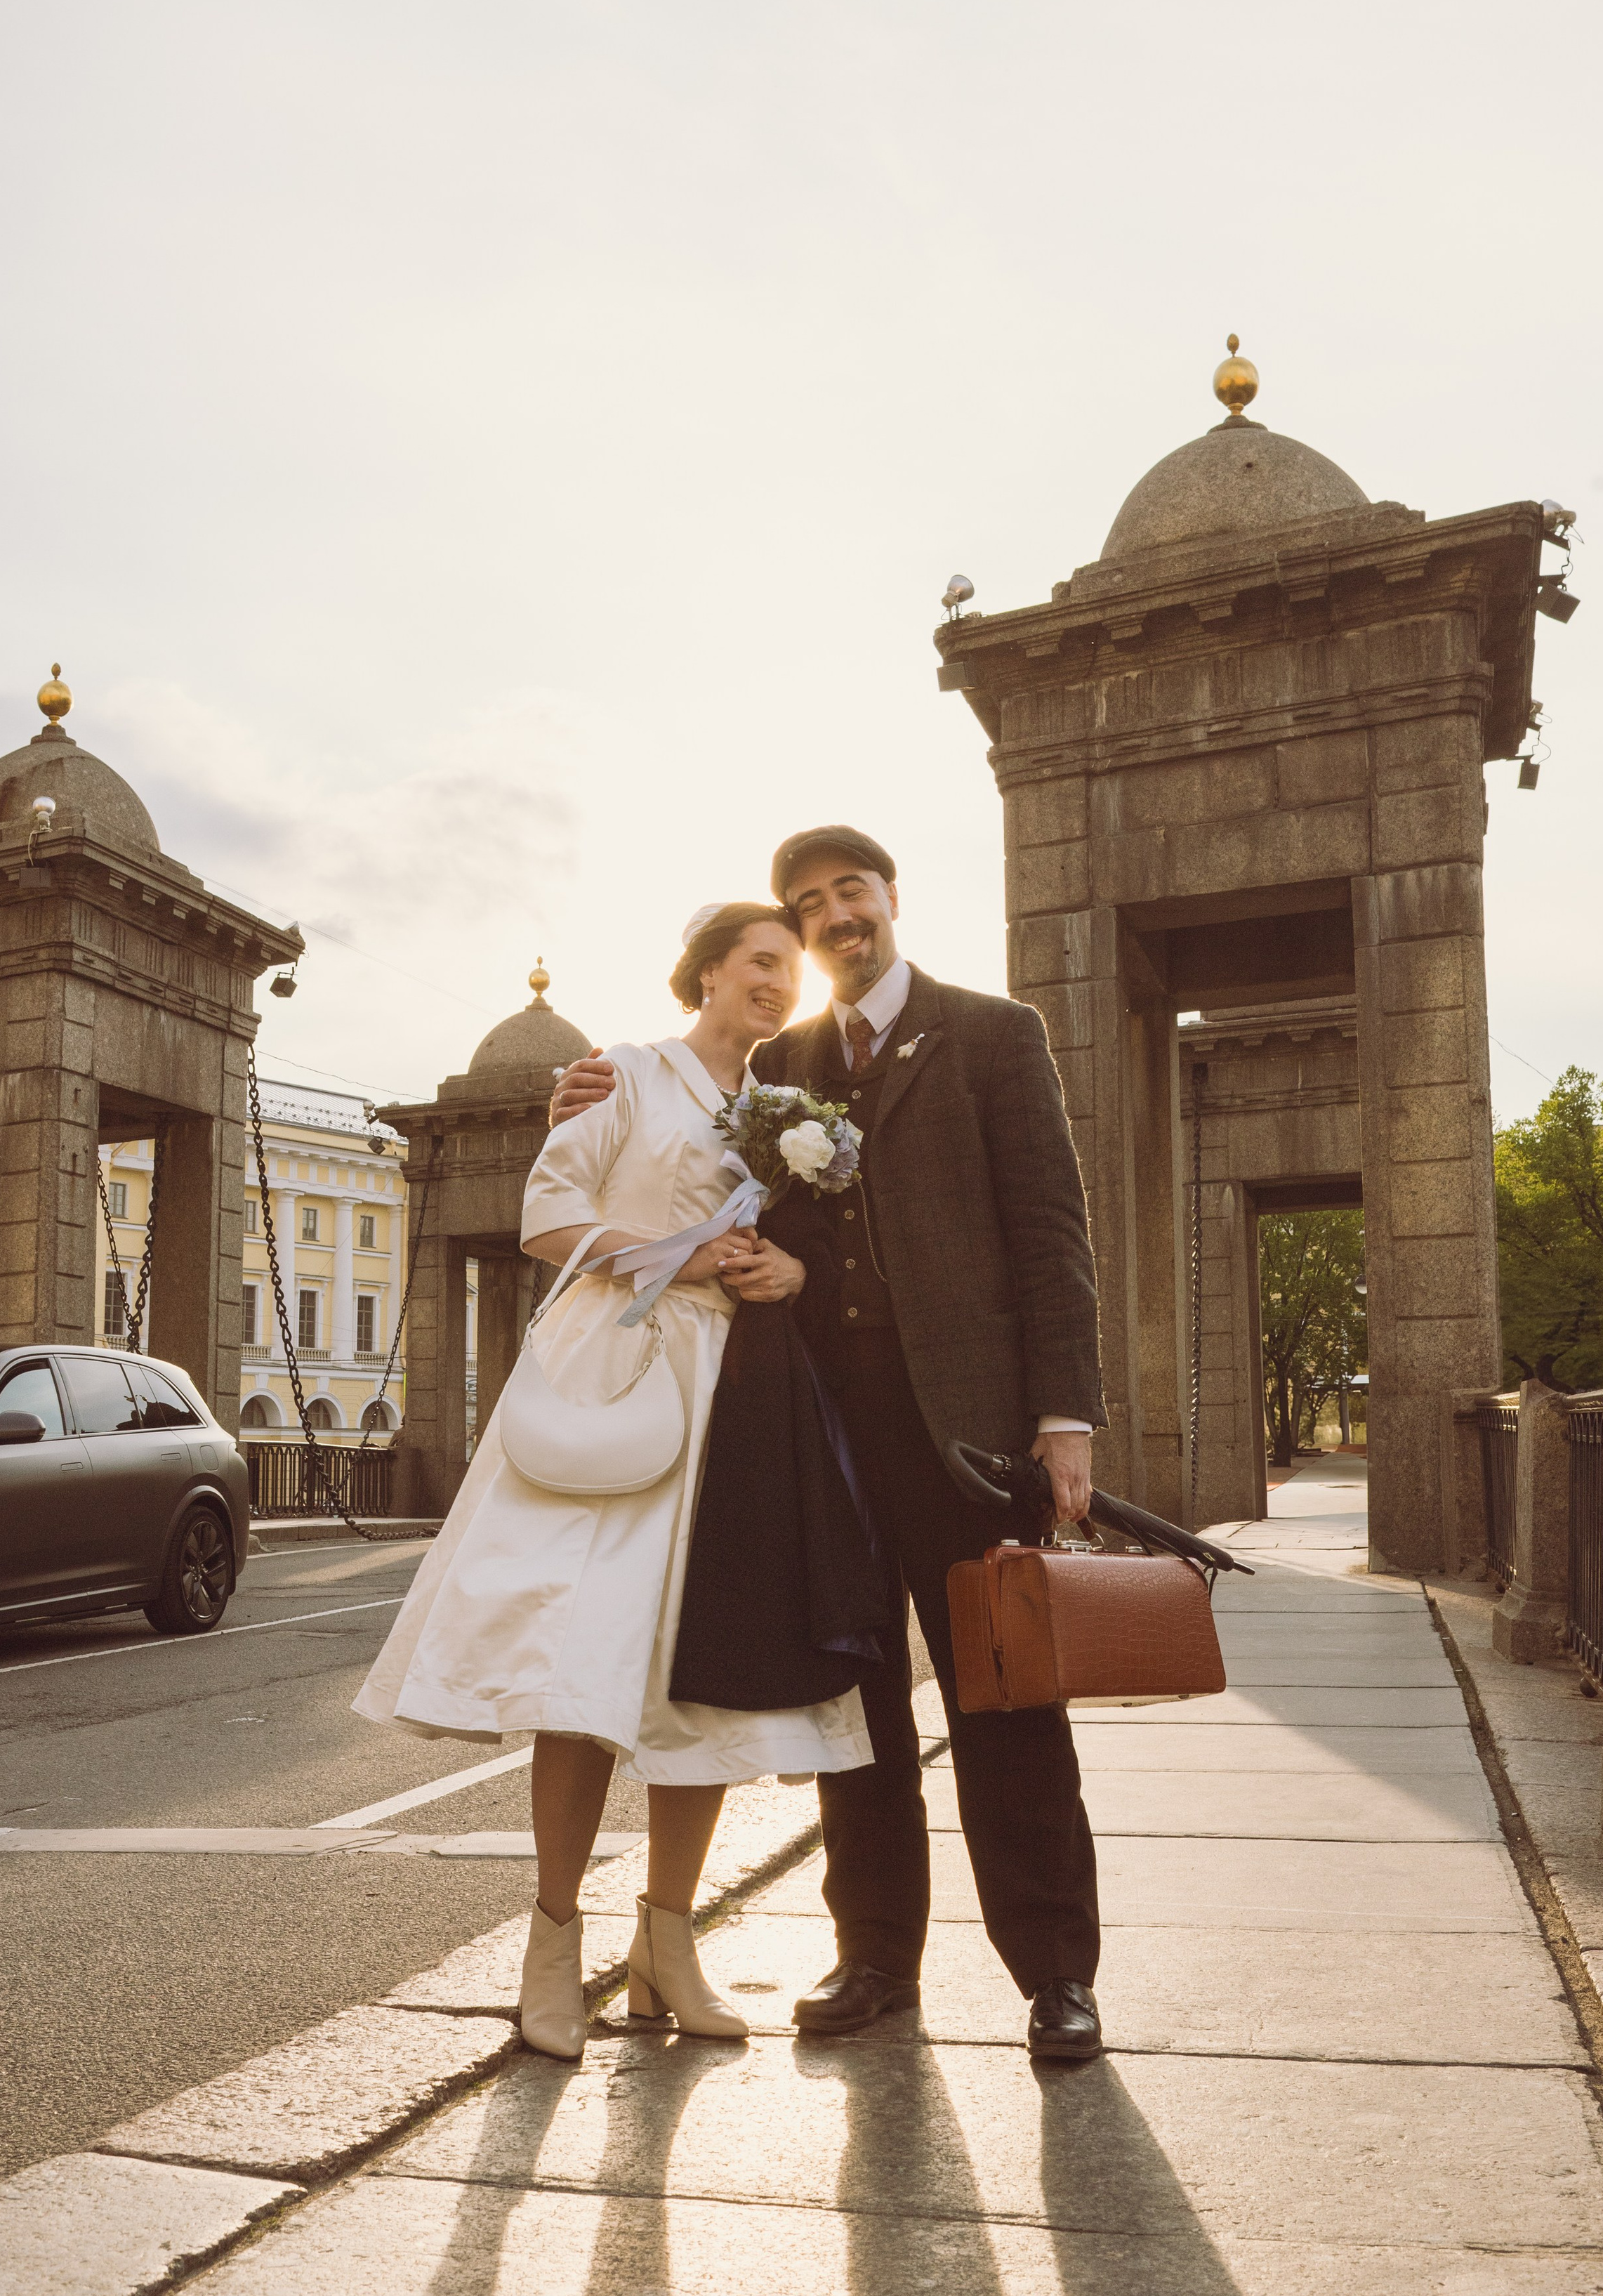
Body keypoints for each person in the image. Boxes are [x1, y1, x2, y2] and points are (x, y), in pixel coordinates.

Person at [550, 826, 1108, 2059]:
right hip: (824, 1437)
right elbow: (681, 1162)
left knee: (1006, 1709)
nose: (834, 916)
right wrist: (580, 1099)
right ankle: (874, 1959)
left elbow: (1050, 1234)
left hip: (967, 1438)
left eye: (849, 891)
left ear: (890, 898)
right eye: (809, 906)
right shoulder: (775, 1064)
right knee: (850, 1718)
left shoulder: (995, 1034)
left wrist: (1066, 1419)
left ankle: (1055, 1973)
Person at [353, 902, 874, 2062]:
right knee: (582, 1672)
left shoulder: (786, 1109)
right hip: (622, 1366)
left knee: (708, 1673)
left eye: (790, 971)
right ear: (704, 971)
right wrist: (683, 1256)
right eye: (759, 963)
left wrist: (774, 1267)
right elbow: (545, 1214)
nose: (778, 984)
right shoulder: (626, 1077)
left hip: (735, 1394)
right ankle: (550, 1946)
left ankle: (666, 1948)